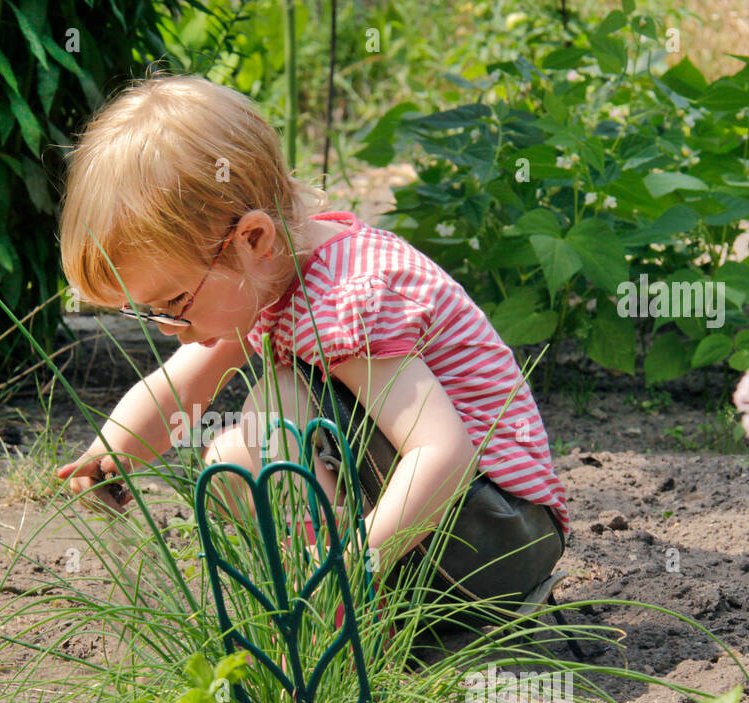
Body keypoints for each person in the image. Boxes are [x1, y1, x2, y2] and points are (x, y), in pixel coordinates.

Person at [54, 72, 569, 647]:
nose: (173, 329)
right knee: (228, 459)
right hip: (440, 535)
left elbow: (443, 452)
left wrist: (355, 568)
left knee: (278, 407)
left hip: (498, 541)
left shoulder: (342, 299)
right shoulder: (272, 280)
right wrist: (114, 450)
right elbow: (180, 385)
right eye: (151, 314)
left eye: (175, 303)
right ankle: (336, 612)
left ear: (252, 239)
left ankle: (342, 607)